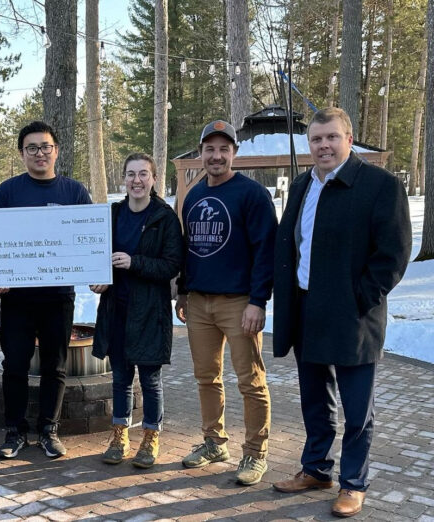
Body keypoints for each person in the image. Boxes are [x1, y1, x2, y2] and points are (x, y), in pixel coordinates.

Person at [272, 108, 411, 517]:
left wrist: (360, 298)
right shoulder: (302, 185)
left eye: (332, 137)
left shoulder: (379, 186)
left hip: (353, 316)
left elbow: (393, 254)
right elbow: (292, 244)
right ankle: (316, 468)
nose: (323, 146)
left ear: (349, 139)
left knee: (356, 409)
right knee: (315, 401)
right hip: (305, 309)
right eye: (316, 139)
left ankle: (353, 482)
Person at [175, 120, 277, 486]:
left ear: (234, 153)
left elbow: (267, 251)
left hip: (239, 304)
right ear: (200, 152)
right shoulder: (193, 194)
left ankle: (255, 452)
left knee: (250, 381)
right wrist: (183, 290)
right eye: (210, 149)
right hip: (200, 303)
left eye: (224, 149)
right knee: (206, 378)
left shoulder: (252, 194)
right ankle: (214, 441)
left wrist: (258, 301)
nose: (216, 156)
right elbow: (189, 248)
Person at [0, 121, 91, 459]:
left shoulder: (74, 193)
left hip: (58, 297)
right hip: (17, 299)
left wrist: (94, 270)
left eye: (45, 146)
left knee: (55, 366)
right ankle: (14, 431)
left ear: (56, 151)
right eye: (31, 147)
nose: (39, 153)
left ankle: (49, 429)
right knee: (15, 365)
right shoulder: (7, 192)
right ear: (22, 153)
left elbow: (88, 240)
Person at [90, 153, 183, 469]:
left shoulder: (164, 217)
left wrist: (135, 262)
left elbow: (172, 264)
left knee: (150, 379)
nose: (137, 180)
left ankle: (150, 436)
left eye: (143, 174)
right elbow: (98, 255)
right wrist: (99, 279)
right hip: (116, 308)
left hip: (150, 312)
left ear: (154, 179)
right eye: (131, 174)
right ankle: (119, 435)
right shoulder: (113, 214)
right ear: (124, 180)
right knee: (120, 377)